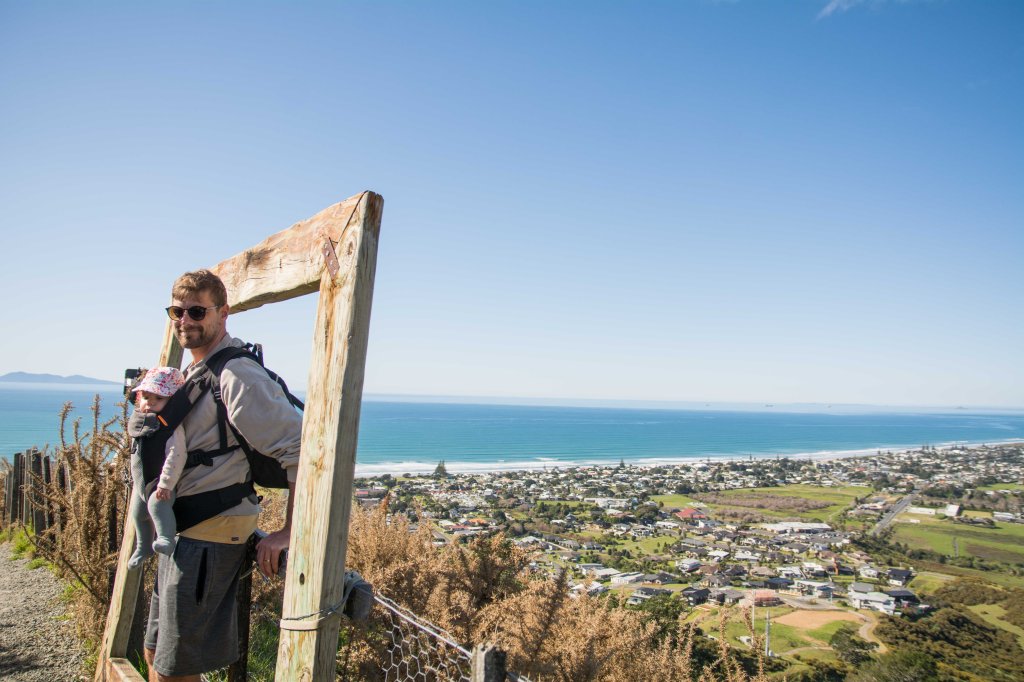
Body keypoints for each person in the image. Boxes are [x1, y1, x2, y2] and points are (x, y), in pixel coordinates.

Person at [143, 269, 301, 682]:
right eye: (177, 311)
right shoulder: (199, 369)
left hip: (211, 535)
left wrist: (291, 530)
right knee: (155, 652)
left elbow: (302, 449)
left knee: (174, 672)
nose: (185, 321)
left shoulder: (236, 375)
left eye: (197, 311)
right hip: (187, 533)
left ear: (224, 313)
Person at [128, 367, 188, 569]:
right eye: (146, 397)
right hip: (140, 482)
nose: (150, 402)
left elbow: (176, 456)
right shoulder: (140, 422)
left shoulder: (170, 427)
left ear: (171, 402)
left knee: (157, 506)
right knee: (137, 514)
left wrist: (166, 484)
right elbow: (132, 447)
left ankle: (166, 538)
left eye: (158, 399)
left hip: (159, 483)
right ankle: (143, 546)